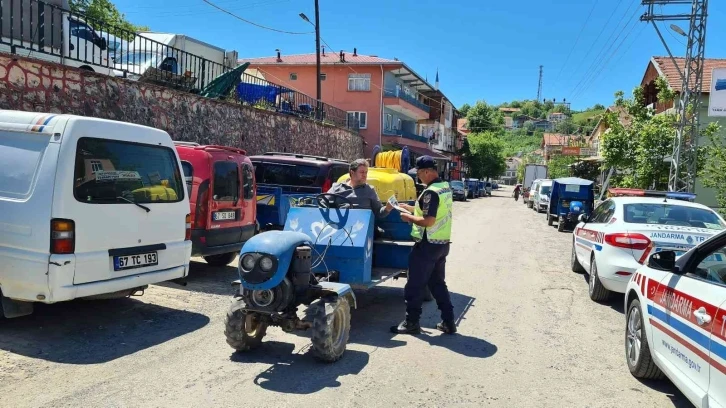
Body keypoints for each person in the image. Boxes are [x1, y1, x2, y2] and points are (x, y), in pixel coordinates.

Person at [391, 155, 456, 335]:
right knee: (437, 284)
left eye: (419, 173)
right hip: (441, 244)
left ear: (427, 172)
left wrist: (408, 217)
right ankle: (449, 322)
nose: (418, 177)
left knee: (414, 286)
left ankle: (411, 323)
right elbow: (430, 211)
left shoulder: (430, 192)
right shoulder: (444, 187)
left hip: (426, 246)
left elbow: (428, 220)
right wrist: (410, 208)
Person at [326, 158, 393, 218]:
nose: (364, 175)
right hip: (341, 226)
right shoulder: (337, 188)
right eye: (362, 172)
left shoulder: (369, 190)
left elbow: (379, 212)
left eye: (366, 172)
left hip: (362, 227)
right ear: (352, 173)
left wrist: (387, 208)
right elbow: (322, 201)